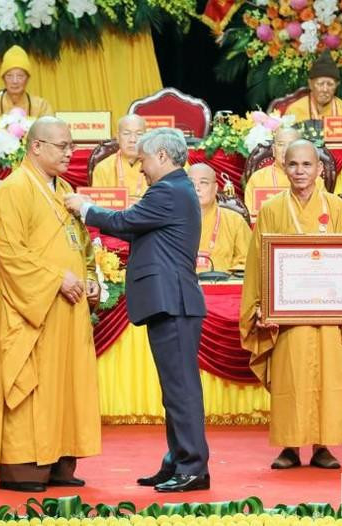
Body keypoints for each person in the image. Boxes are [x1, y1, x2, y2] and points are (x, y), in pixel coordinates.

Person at [65, 127, 210, 493]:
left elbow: (125, 222)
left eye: (143, 160)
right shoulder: (172, 190)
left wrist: (86, 209)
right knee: (173, 390)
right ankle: (177, 461)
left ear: (162, 156)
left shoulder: (169, 190)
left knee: (182, 390)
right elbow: (135, 230)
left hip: (173, 302)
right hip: (170, 303)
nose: (141, 167)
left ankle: (193, 467)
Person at [240, 139, 342, 470]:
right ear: (282, 167)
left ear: (320, 169)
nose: (300, 171)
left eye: (307, 165)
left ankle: (323, 446)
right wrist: (261, 306)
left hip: (331, 313)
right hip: (288, 315)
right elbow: (257, 263)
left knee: (329, 377)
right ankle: (290, 446)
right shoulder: (273, 209)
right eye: (293, 165)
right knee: (290, 377)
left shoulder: (336, 208)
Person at [0, 117, 100, 492]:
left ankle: (60, 461)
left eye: (71, 146)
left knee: (67, 382)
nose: (71, 152)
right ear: (36, 146)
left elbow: (81, 244)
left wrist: (90, 276)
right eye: (62, 146)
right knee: (32, 385)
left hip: (69, 308)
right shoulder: (13, 190)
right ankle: (25, 467)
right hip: (32, 309)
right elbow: (11, 255)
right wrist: (55, 280)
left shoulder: (65, 189)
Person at [244, 126, 323, 222]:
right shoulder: (258, 178)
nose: (285, 150)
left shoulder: (313, 179)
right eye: (281, 145)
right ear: (273, 150)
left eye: (291, 144)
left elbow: (322, 213)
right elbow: (251, 218)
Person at [188, 163, 250, 273]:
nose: (196, 188)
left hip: (222, 286)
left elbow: (248, 261)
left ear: (216, 188)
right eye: (191, 183)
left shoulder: (234, 221)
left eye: (203, 182)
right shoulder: (171, 221)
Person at [0, 46, 53, 126]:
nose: (15, 81)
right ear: (3, 79)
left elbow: (49, 130)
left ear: (28, 78)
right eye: (9, 76)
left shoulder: (41, 106)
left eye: (20, 76)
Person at [284, 51, 342, 122]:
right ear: (310, 84)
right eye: (320, 84)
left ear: (337, 85)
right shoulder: (294, 111)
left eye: (330, 84)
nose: (325, 89)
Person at [91, 115, 148, 199]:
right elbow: (97, 206)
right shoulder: (103, 167)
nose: (133, 140)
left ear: (146, 137)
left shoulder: (155, 167)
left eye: (139, 134)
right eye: (126, 133)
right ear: (117, 137)